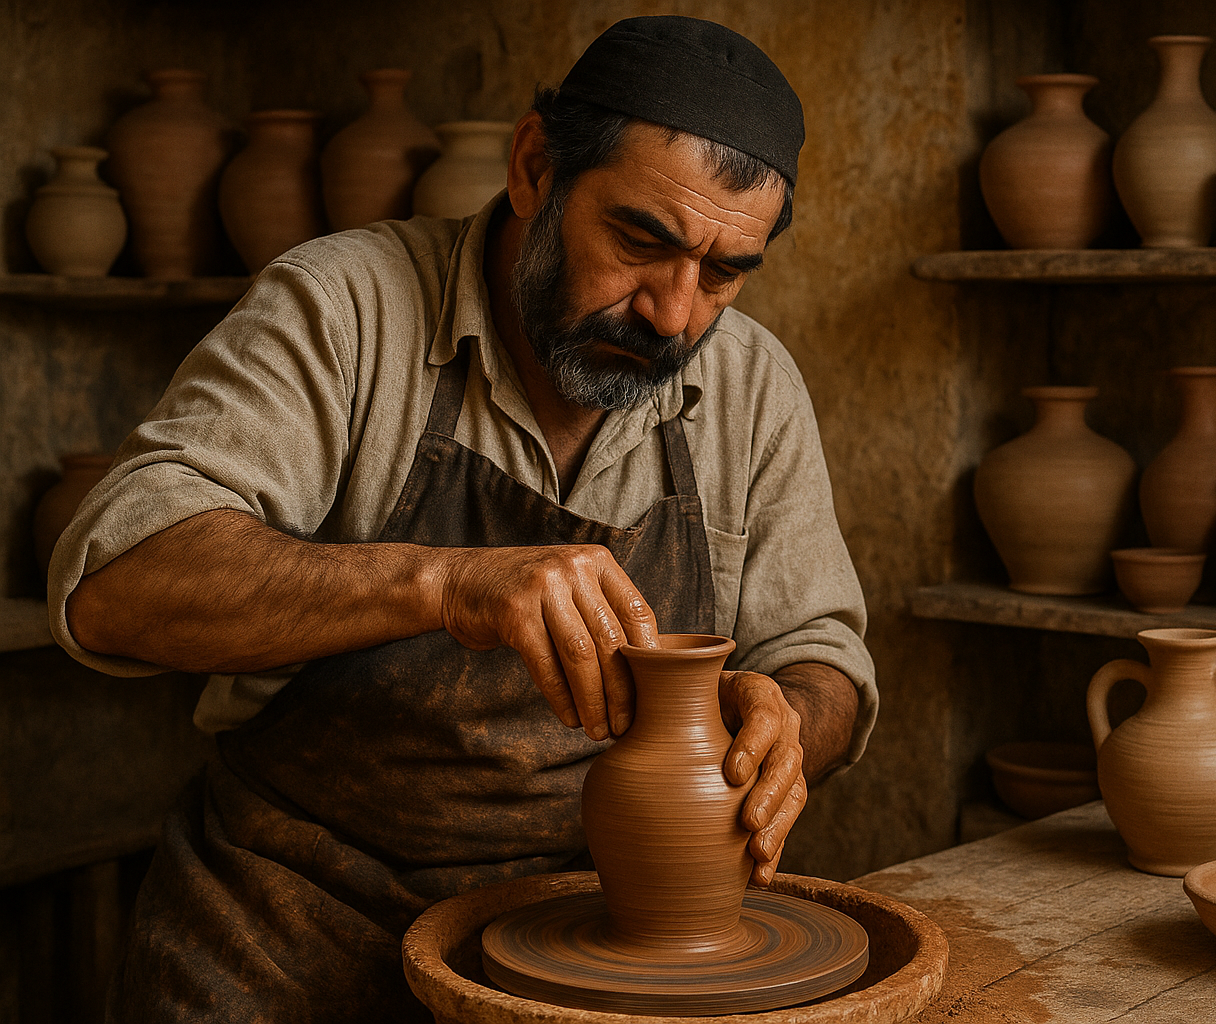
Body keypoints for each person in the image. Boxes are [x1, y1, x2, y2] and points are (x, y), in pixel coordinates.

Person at [49, 16, 877, 1024]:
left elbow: (823, 653)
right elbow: (115, 583)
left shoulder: (751, 387)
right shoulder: (340, 308)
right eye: (640, 240)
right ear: (535, 167)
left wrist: (795, 720)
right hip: (288, 930)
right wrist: (442, 584)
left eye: (723, 271)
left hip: (590, 944)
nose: (673, 314)